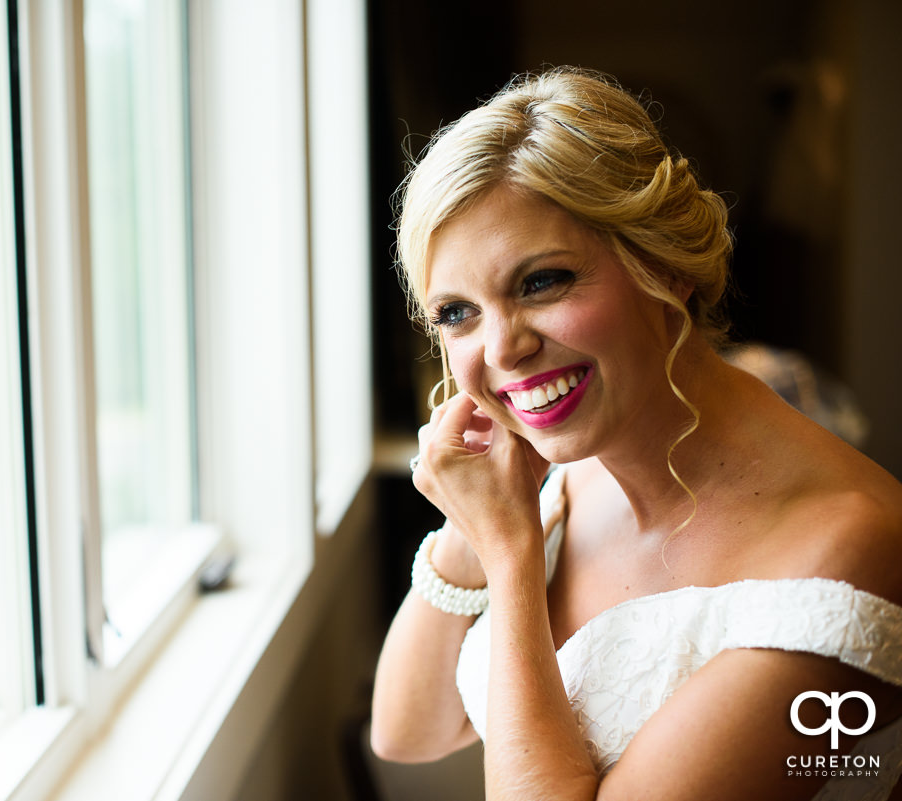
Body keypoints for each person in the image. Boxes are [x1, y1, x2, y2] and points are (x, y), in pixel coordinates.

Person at [370, 67, 902, 800]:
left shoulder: (844, 553)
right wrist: (473, 525)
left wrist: (512, 557)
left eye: (540, 281)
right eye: (457, 312)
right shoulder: (575, 464)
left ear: (664, 264)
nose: (500, 350)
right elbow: (407, 730)